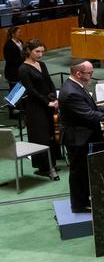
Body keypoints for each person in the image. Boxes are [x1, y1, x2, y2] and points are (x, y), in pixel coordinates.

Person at [59, 61, 104, 212]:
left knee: (85, 171)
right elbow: (89, 114)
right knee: (79, 173)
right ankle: (79, 205)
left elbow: (91, 106)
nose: (92, 76)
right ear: (78, 74)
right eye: (89, 73)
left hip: (83, 136)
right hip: (77, 139)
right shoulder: (71, 92)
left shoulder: (76, 86)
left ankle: (86, 199)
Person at [17, 39, 58, 180]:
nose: (40, 55)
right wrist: (47, 103)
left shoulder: (42, 64)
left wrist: (55, 98)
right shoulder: (23, 69)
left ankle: (52, 162)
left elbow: (49, 82)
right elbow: (31, 90)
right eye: (37, 52)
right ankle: (45, 167)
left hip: (49, 104)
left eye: (42, 51)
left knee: (52, 134)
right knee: (41, 136)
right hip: (35, 107)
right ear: (29, 51)